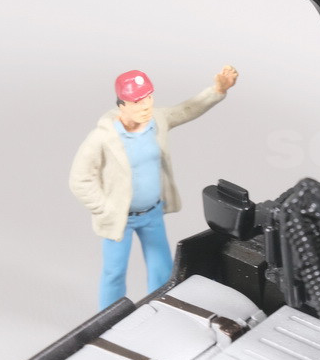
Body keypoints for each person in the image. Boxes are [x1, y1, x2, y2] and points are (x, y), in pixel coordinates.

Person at [70, 66, 238, 307]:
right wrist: (105, 208)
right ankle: (107, 316)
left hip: (152, 213)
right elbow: (80, 178)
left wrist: (217, 90)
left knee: (162, 267)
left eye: (148, 97)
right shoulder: (103, 137)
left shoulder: (157, 120)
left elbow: (187, 109)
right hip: (121, 218)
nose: (146, 106)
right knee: (114, 272)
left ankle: (163, 306)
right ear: (122, 104)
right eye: (137, 101)